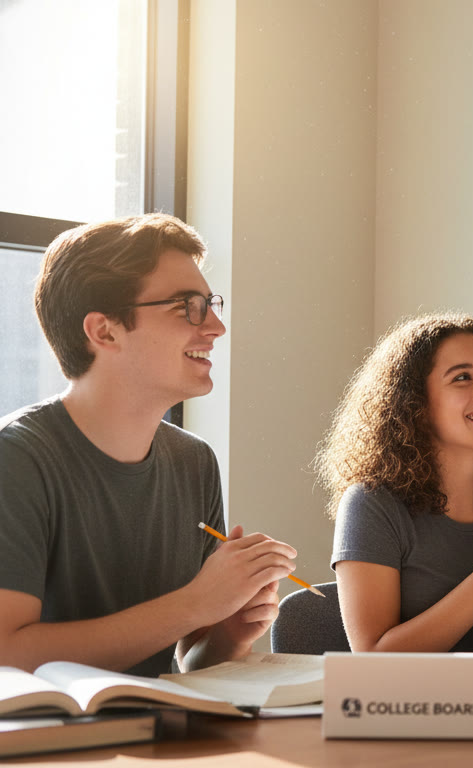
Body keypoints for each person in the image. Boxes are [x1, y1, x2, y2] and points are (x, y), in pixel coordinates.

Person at [0, 213, 298, 676]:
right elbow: (5, 654)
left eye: (210, 304)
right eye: (188, 307)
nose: (216, 327)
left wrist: (226, 632)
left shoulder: (194, 462)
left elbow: (188, 663)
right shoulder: (16, 459)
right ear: (104, 331)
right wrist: (195, 604)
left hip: (155, 735)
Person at [315, 312, 473, 652]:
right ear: (415, 404)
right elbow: (374, 658)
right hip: (416, 704)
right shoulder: (372, 505)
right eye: (462, 377)